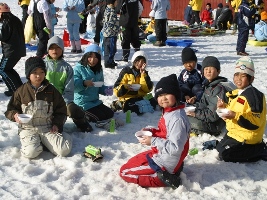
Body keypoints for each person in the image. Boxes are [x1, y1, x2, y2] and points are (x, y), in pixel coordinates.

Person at [119, 74, 190, 189]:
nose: (163, 98)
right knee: (131, 162)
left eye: (167, 94)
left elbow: (175, 148)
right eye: (160, 95)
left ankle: (162, 179)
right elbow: (165, 132)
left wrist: (153, 140)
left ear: (176, 95)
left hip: (166, 161)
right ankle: (171, 170)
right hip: (160, 153)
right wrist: (151, 131)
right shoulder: (170, 112)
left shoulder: (177, 119)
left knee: (125, 171)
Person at [5, 57, 72, 159]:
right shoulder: (21, 91)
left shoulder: (51, 90)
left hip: (47, 128)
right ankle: (36, 143)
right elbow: (10, 110)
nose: (38, 76)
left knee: (64, 150)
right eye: (35, 72)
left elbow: (61, 111)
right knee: (31, 153)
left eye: (41, 72)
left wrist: (57, 124)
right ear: (28, 74)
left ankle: (58, 138)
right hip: (28, 128)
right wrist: (15, 115)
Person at [215, 56, 267, 162]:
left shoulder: (253, 96)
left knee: (225, 155)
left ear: (251, 78)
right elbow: (234, 113)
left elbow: (255, 122)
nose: (238, 79)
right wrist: (223, 109)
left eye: (243, 76)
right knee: (220, 148)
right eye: (236, 75)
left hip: (248, 138)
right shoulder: (237, 93)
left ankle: (260, 149)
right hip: (236, 134)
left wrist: (234, 115)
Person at [45, 36, 93, 132]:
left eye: (58, 47)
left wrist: (63, 103)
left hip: (62, 101)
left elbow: (69, 89)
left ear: (62, 49)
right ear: (48, 49)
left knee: (73, 109)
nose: (55, 50)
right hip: (45, 102)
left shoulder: (67, 68)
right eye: (52, 47)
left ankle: (82, 123)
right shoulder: (42, 65)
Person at [73, 44, 123, 130]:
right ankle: (82, 115)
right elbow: (73, 86)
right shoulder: (78, 68)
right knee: (99, 117)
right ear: (85, 56)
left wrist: (106, 90)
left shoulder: (99, 69)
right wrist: (84, 83)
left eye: (96, 57)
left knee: (109, 114)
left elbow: (100, 85)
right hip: (83, 103)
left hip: (94, 101)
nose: (93, 60)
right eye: (90, 57)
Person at [186, 56, 229, 136]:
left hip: (216, 124)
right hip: (208, 118)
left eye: (211, 69)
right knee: (183, 114)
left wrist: (195, 113)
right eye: (206, 69)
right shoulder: (209, 85)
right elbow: (203, 103)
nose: (208, 71)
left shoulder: (219, 89)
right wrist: (191, 108)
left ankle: (203, 132)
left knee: (186, 120)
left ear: (218, 71)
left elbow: (214, 115)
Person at [111, 51, 157, 115]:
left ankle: (139, 107)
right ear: (134, 61)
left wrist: (143, 75)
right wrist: (125, 87)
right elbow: (116, 89)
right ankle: (119, 104)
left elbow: (148, 89)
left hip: (140, 97)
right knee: (131, 107)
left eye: (143, 61)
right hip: (128, 98)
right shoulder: (126, 72)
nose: (140, 63)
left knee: (154, 102)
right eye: (138, 61)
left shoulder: (144, 73)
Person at [0, 3, 25, 97]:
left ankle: (14, 90)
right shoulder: (14, 18)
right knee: (8, 69)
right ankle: (19, 87)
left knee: (2, 69)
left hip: (11, 50)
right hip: (17, 49)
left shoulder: (5, 21)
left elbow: (3, 36)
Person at [102, 0, 120, 69]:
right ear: (113, 2)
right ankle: (109, 62)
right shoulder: (112, 11)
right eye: (116, 1)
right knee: (111, 49)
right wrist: (118, 29)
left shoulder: (107, 9)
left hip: (106, 33)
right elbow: (112, 23)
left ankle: (109, 61)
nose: (117, 3)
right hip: (111, 34)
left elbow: (104, 20)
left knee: (107, 49)